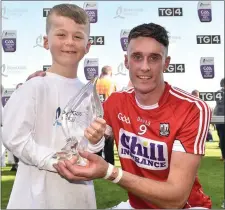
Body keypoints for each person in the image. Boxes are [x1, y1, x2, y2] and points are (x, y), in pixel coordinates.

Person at [29, 23, 212, 209]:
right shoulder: (116, 102)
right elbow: (76, 125)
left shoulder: (192, 108)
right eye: (137, 57)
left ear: (166, 63)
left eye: (154, 58)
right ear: (126, 61)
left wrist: (110, 172)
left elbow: (176, 199)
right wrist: (47, 84)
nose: (145, 67)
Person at [2, 4, 106, 209]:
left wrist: (95, 141)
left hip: (79, 198)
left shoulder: (89, 95)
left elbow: (91, 147)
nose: (69, 42)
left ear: (88, 46)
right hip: (35, 199)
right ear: (46, 41)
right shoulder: (33, 87)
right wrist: (53, 161)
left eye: (77, 36)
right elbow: (14, 137)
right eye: (61, 34)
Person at [95, 66, 117, 165]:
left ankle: (97, 164)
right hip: (108, 116)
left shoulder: (95, 82)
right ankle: (110, 165)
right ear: (110, 72)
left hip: (96, 116)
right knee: (109, 145)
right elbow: (117, 99)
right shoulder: (112, 83)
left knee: (97, 142)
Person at [213, 78, 225, 161]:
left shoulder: (218, 92)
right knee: (222, 138)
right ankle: (223, 156)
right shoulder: (219, 93)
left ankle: (223, 156)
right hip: (220, 118)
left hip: (219, 119)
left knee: (222, 138)